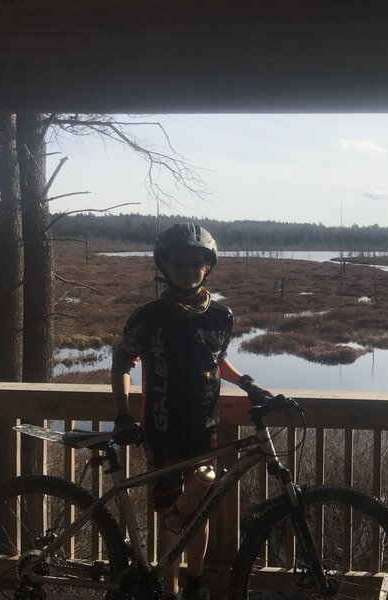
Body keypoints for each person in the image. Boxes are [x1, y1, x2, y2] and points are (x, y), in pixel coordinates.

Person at [111, 222, 265, 600]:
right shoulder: (148, 316)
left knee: (199, 510)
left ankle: (194, 584)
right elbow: (121, 364)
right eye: (178, 262)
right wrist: (123, 415)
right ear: (164, 265)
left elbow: (217, 361)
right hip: (161, 430)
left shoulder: (221, 316)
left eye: (196, 262)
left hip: (205, 429)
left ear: (207, 266)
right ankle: (170, 587)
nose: (187, 269)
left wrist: (246, 382)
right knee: (170, 514)